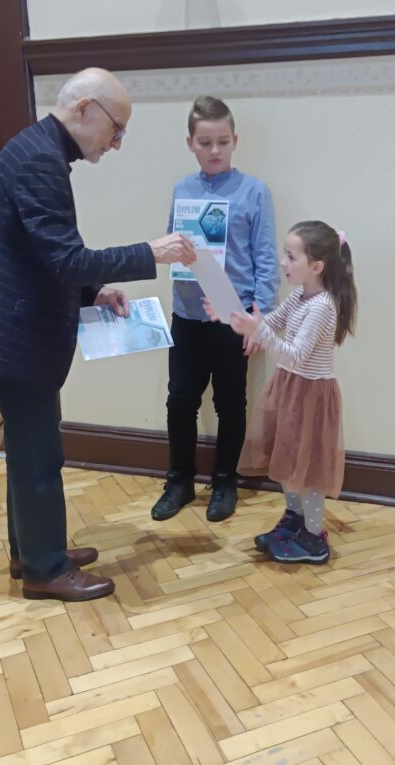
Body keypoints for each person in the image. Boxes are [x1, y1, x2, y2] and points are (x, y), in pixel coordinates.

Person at [0, 68, 195, 601]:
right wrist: (149, 253)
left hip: (9, 324)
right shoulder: (40, 160)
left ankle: (32, 550)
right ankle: (45, 570)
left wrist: (93, 292)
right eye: (116, 129)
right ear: (85, 109)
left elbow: (42, 254)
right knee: (39, 455)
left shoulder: (36, 148)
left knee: (27, 449)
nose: (117, 143)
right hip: (17, 334)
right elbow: (64, 258)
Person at [151, 96, 279, 524]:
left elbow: (265, 257)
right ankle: (179, 481)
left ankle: (225, 481)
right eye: (205, 142)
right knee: (179, 401)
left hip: (232, 317)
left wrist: (261, 318)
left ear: (235, 140)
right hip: (187, 315)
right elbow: (171, 244)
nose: (214, 150)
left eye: (222, 141)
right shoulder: (182, 190)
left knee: (230, 403)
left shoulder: (254, 191)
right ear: (190, 143)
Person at [209, 221, 357, 564]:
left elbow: (295, 354)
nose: (282, 263)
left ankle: (314, 539)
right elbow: (272, 322)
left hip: (311, 396)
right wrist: (233, 317)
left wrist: (258, 331)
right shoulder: (300, 295)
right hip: (291, 389)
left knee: (309, 472)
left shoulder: (321, 306)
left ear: (316, 266)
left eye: (291, 257)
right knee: (289, 462)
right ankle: (294, 521)